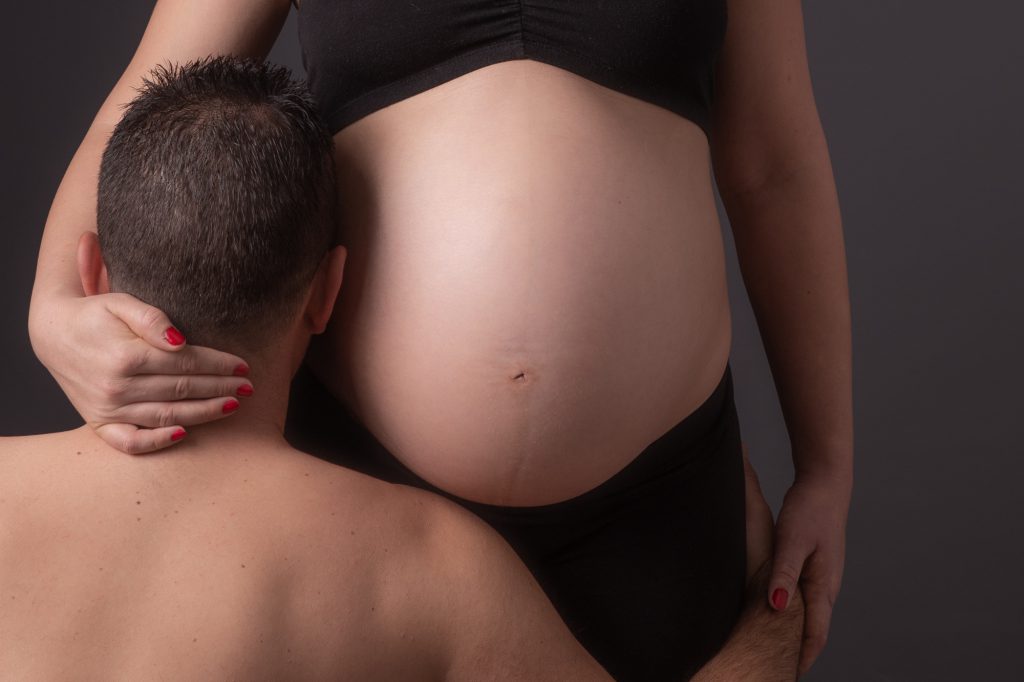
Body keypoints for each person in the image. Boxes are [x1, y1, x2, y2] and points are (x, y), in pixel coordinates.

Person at [27, 1, 853, 678]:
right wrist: (53, 307)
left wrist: (826, 466)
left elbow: (773, 166)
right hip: (365, 477)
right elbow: (151, 91)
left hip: (655, 496)